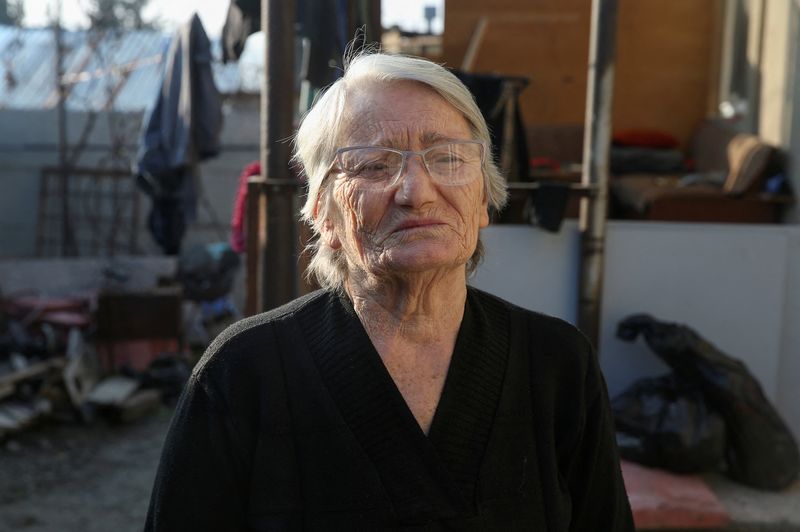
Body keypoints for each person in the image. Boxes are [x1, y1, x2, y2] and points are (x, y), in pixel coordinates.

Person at [145, 52, 634, 531]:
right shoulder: (242, 371)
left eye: (447, 158)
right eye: (374, 165)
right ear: (322, 212)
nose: (415, 192)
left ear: (484, 198)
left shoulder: (557, 364)